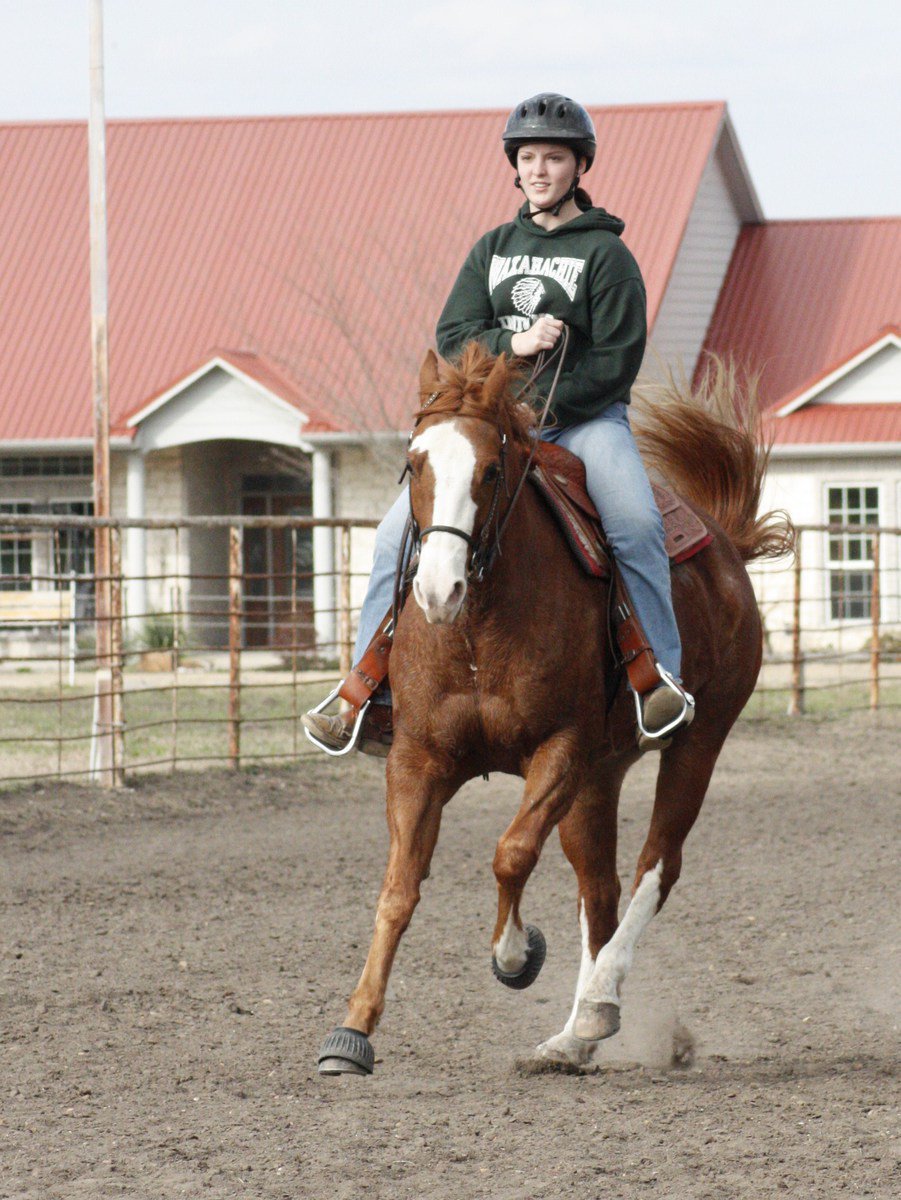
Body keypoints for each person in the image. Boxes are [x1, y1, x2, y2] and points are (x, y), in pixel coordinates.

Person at [303, 92, 693, 754]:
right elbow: (453, 335)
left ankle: (657, 682)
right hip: (492, 424)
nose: (540, 169)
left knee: (634, 523)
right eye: (529, 157)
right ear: (515, 166)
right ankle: (366, 695)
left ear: (579, 166)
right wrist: (514, 344)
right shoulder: (493, 248)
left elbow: (615, 362)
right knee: (395, 536)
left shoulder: (607, 256)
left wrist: (542, 409)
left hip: (584, 422)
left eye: (555, 158)